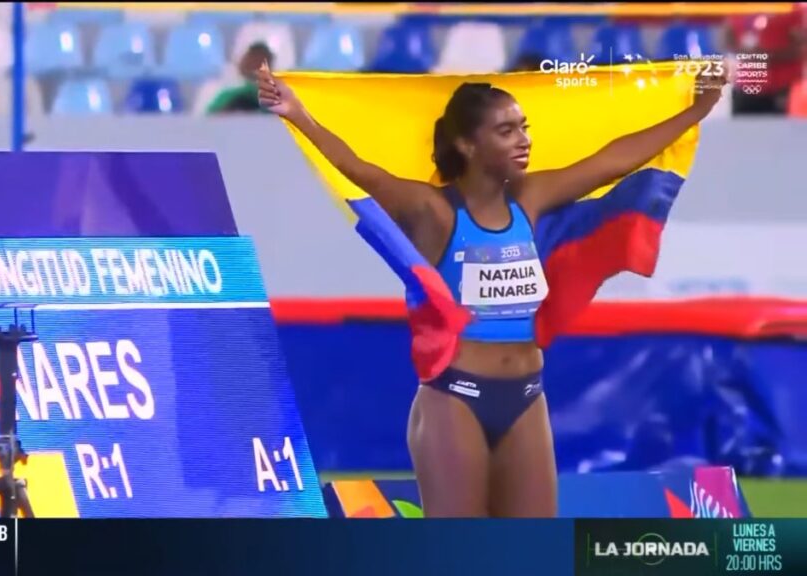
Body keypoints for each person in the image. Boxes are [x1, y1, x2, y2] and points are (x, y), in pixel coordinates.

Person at [257, 62, 727, 517]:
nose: (524, 141)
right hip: (453, 398)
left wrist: (697, 110)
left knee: (530, 552)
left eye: (524, 128)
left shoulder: (530, 199)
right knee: (462, 555)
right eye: (507, 131)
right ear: (467, 144)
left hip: (527, 395)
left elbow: (613, 160)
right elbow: (357, 169)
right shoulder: (434, 212)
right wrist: (298, 113)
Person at [725, 5, 807, 114]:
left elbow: (800, 48)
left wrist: (765, 56)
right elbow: (726, 41)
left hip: (783, 90)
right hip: (745, 89)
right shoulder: (739, 10)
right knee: (743, 129)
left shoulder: (794, 10)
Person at [206, 43, 275, 115]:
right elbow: (210, 120)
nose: (255, 64)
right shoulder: (228, 96)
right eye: (253, 59)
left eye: (260, 60)